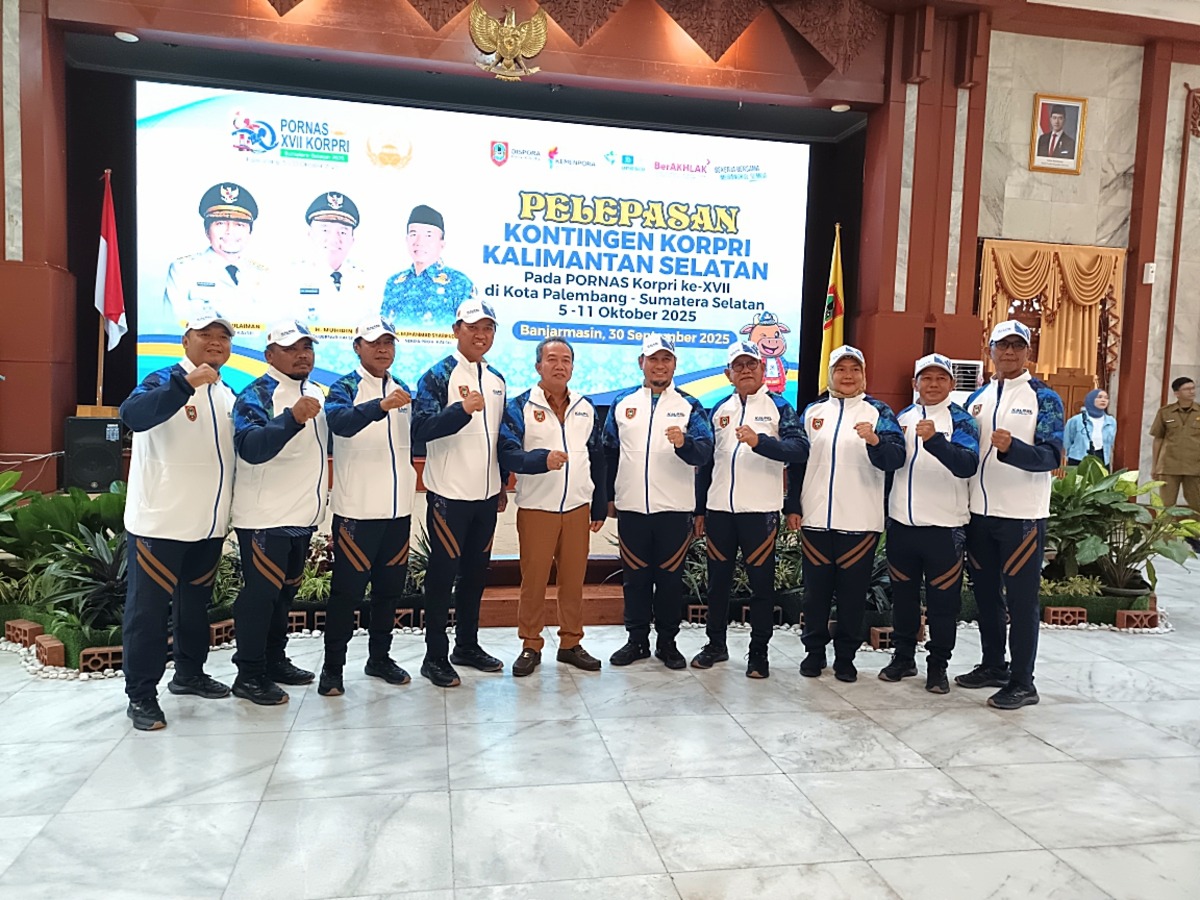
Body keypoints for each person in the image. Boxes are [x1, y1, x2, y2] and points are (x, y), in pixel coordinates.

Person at [119, 315, 237, 731]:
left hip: (208, 525)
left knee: (194, 608)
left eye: (223, 337)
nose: (215, 342)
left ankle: (189, 674)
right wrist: (184, 385)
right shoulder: (163, 380)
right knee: (148, 614)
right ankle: (141, 696)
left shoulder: (226, 392)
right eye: (206, 335)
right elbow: (132, 415)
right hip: (160, 524)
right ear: (186, 340)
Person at [956, 320, 1064, 710]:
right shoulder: (977, 398)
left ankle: (1023, 682)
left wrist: (1013, 448)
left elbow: (1052, 456)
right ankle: (993, 665)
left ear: (1028, 352)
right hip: (979, 514)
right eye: (1002, 346)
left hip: (1022, 517)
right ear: (990, 351)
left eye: (1017, 346)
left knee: (1021, 602)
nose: (1009, 353)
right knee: (986, 596)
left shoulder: (1044, 398)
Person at [692, 341, 808, 678]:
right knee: (717, 584)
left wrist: (761, 442)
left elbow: (800, 450)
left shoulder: (779, 407)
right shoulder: (718, 410)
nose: (745, 370)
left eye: (751, 364)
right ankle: (716, 644)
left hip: (760, 512)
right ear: (728, 373)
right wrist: (699, 510)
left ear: (762, 369)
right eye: (738, 366)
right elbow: (706, 464)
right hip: (719, 511)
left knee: (761, 586)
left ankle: (759, 653)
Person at [229, 321, 329, 705]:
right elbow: (251, 447)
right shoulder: (255, 394)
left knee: (284, 596)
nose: (302, 355)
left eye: (307, 347)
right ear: (270, 355)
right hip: (264, 518)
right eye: (291, 349)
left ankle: (274, 660)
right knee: (260, 598)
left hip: (301, 516)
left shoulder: (315, 392)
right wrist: (291, 419)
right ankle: (249, 674)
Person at [411, 299, 508, 687]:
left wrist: (501, 483)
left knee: (474, 576)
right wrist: (461, 411)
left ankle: (467, 645)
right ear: (456, 330)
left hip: (485, 496)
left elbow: (499, 439)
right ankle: (434, 656)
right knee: (442, 576)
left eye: (488, 328)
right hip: (449, 495)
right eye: (473, 327)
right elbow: (420, 429)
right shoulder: (437, 376)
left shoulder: (497, 379)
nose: (481, 334)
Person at [318, 317, 417, 697]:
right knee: (347, 593)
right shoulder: (343, 387)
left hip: (397, 511)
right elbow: (340, 423)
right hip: (357, 512)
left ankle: (379, 658)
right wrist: (380, 405)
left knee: (389, 592)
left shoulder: (402, 387)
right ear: (357, 346)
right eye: (374, 343)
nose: (383, 349)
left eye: (388, 343)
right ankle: (332, 668)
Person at [795, 346, 905, 683]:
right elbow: (798, 461)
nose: (847, 375)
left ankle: (845, 657)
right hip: (815, 519)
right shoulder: (813, 411)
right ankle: (814, 653)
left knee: (852, 596)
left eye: (854, 369)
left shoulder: (879, 412)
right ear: (831, 374)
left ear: (863, 374)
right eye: (840, 369)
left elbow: (896, 458)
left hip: (860, 522)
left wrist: (875, 441)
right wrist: (793, 505)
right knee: (815, 595)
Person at [603, 335, 713, 669]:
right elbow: (608, 452)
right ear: (642, 363)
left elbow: (704, 452)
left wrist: (684, 444)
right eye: (653, 359)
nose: (660, 365)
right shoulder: (622, 403)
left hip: (674, 511)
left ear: (675, 364)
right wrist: (609, 497)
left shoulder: (690, 405)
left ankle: (667, 643)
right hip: (632, 509)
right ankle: (636, 641)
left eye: (666, 359)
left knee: (669, 581)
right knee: (634, 579)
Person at [498, 337, 606, 677]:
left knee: (573, 581)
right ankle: (531, 644)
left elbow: (598, 456)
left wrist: (598, 505)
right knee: (534, 581)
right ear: (538, 366)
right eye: (552, 359)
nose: (560, 365)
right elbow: (507, 454)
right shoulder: (519, 406)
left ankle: (571, 643)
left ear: (572, 367)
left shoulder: (586, 407)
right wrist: (541, 461)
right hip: (537, 508)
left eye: (566, 360)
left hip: (577, 508)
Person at [880, 353, 979, 694]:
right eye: (927, 378)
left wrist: (936, 440)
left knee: (943, 603)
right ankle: (903, 657)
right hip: (902, 526)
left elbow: (967, 464)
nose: (933, 384)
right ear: (915, 383)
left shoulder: (962, 421)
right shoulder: (901, 418)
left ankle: (938, 665)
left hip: (945, 528)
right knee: (903, 597)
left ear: (952, 384)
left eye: (940, 378)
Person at [163, 182, 270, 329]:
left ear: (249, 232)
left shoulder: (264, 275)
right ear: (207, 231)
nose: (229, 232)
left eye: (239, 225)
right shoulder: (183, 270)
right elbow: (173, 326)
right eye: (220, 223)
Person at [380, 204, 475, 331]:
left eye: (428, 235)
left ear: (442, 244)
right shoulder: (394, 283)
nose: (419, 242)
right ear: (406, 239)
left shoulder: (459, 283)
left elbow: (470, 332)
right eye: (413, 234)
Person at [286, 191, 375, 328]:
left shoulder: (369, 279)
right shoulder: (290, 277)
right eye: (325, 230)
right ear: (310, 234)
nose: (334, 239)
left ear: (352, 240)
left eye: (343, 232)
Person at [1150, 376, 1200, 515]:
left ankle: (1196, 529)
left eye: (1193, 388)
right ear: (1177, 393)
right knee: (1166, 506)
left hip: (1195, 467)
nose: (1192, 391)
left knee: (1197, 504)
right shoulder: (1165, 412)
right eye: (1187, 389)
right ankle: (1165, 530)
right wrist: (1155, 466)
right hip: (1169, 466)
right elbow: (1158, 439)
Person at [1064, 389, 1116, 467]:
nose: (1103, 400)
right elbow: (1067, 441)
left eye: (1106, 398)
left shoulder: (1111, 421)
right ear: (1091, 399)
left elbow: (1111, 441)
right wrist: (1069, 455)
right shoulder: (1076, 420)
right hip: (1078, 458)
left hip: (1102, 458)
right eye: (1099, 397)